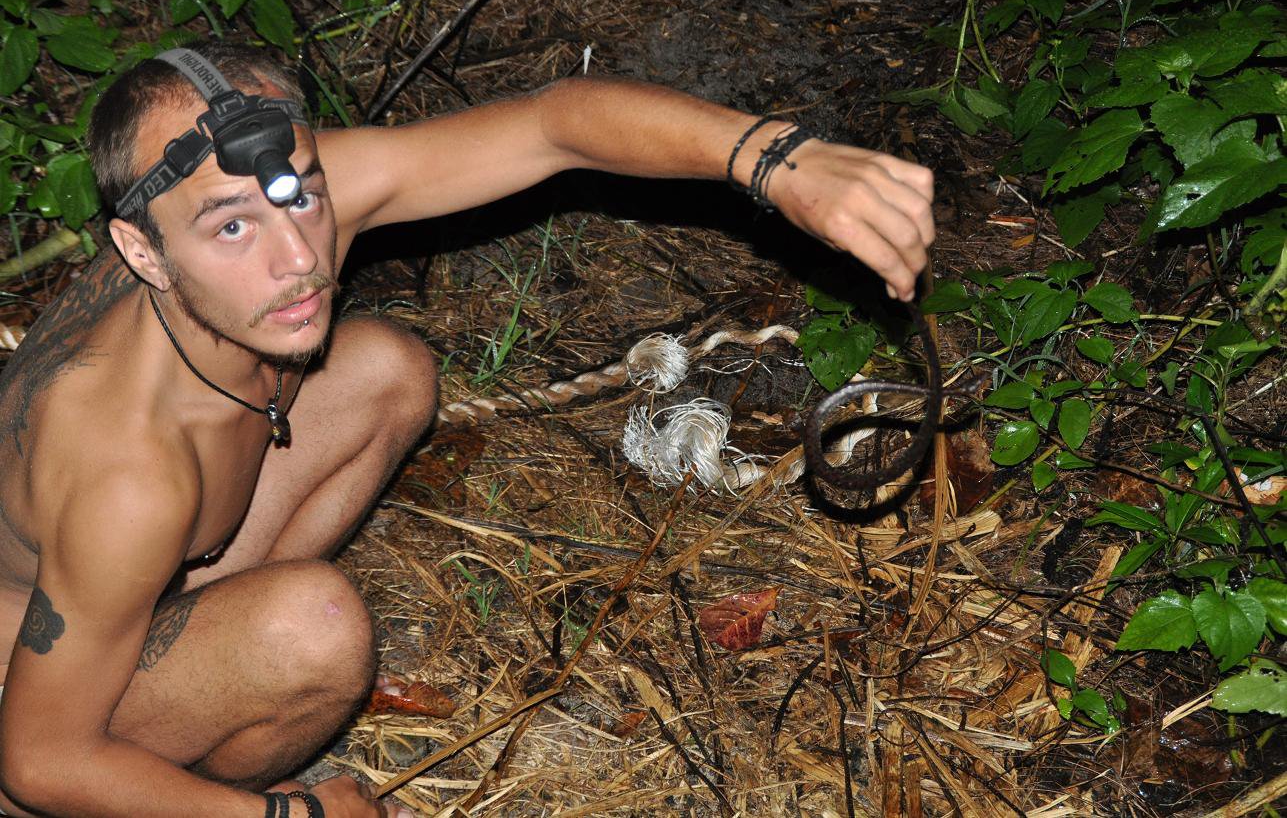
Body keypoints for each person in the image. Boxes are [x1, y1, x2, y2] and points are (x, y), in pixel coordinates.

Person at [0, 40, 934, 817]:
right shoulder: (130, 469)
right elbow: (37, 761)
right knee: (312, 630)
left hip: (124, 588)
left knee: (384, 370)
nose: (298, 261)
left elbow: (550, 124)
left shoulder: (263, 209)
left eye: (304, 198)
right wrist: (291, 815)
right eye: (232, 230)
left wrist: (775, 157)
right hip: (30, 705)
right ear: (141, 251)